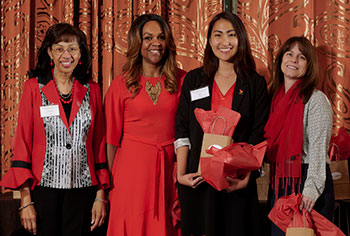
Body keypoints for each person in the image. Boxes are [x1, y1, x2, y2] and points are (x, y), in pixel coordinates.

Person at [0, 23, 109, 236]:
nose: (66, 55)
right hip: (44, 191)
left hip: (83, 191)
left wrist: (100, 196)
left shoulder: (93, 90)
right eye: (59, 49)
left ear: (80, 54)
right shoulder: (33, 87)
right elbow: (22, 143)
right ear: (49, 52)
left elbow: (99, 144)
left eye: (72, 49)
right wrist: (25, 201)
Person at [175, 11, 269, 236]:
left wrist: (247, 178)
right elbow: (182, 128)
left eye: (231, 35)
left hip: (235, 183)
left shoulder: (255, 84)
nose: (224, 42)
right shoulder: (194, 79)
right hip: (197, 181)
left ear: (241, 40)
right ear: (209, 40)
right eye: (218, 35)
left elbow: (258, 135)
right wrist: (181, 175)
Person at [104, 14, 186, 236]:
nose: (155, 43)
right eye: (148, 37)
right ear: (136, 43)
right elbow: (111, 141)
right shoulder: (120, 85)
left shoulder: (183, 80)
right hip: (130, 174)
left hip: (169, 170)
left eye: (160, 37)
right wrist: (107, 187)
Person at [264, 36, 334, 236]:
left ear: (308, 65)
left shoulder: (315, 99)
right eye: (289, 54)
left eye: (301, 57)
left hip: (308, 181)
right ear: (281, 61)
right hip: (280, 182)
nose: (294, 60)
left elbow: (319, 150)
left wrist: (311, 190)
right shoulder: (273, 99)